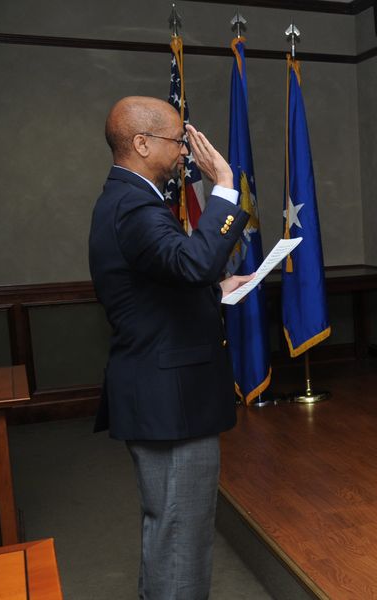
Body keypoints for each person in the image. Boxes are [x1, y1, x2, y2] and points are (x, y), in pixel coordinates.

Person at [89, 96, 251, 599]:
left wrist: (213, 291)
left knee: (169, 532)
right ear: (141, 143)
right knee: (180, 535)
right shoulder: (134, 205)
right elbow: (192, 264)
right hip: (170, 398)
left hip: (163, 391)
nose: (186, 150)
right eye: (178, 140)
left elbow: (165, 277)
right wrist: (224, 188)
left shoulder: (129, 200)